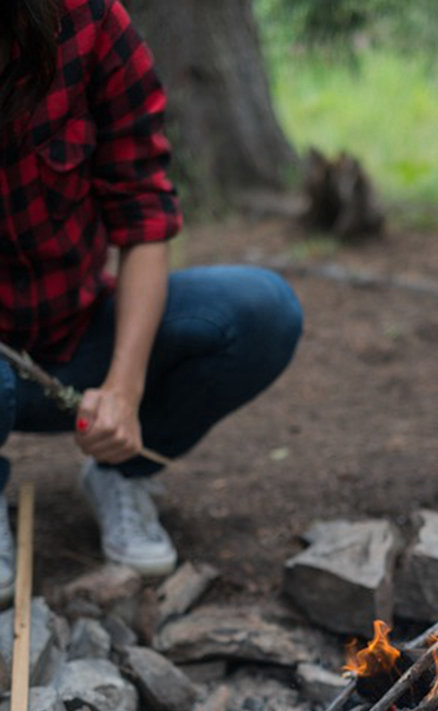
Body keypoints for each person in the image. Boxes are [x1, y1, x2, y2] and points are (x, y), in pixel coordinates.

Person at [0, 0, 303, 602]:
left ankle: (120, 475)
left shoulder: (87, 22)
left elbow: (143, 216)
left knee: (262, 313)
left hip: (76, 332)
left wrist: (124, 388)